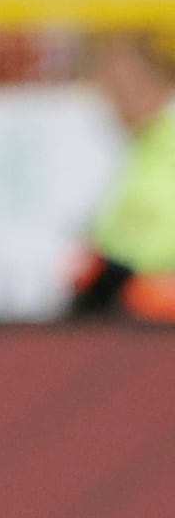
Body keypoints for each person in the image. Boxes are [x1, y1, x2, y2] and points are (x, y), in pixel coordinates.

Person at [69, 34, 175, 317]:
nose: (120, 99)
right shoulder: (138, 149)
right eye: (112, 87)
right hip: (124, 296)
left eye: (131, 84)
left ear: (161, 82)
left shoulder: (166, 143)